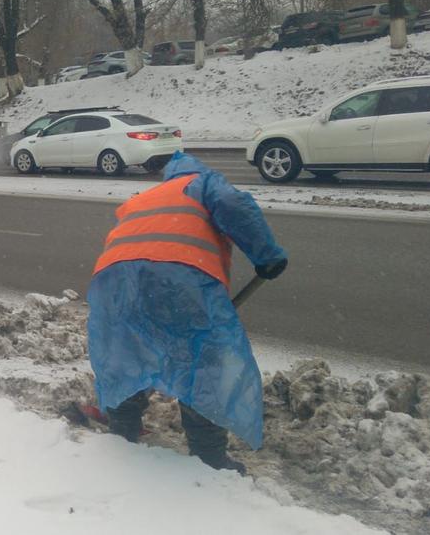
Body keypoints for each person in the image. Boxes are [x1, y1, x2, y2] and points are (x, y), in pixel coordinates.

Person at [86, 151, 288, 474]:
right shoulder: (203, 182)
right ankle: (208, 455)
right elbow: (234, 205)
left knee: (130, 351)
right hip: (178, 277)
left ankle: (122, 428)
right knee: (202, 359)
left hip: (115, 276)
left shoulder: (147, 196)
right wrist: (267, 255)